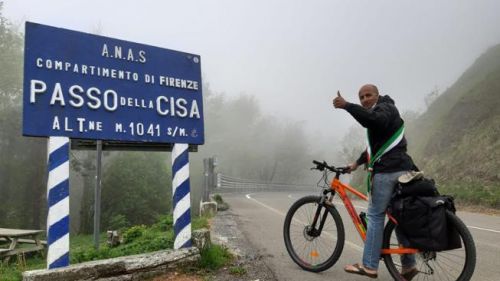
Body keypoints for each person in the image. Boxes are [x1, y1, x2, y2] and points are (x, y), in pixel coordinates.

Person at [333, 84, 418, 280]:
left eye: (368, 95)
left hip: (388, 171)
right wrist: (355, 163)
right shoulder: (386, 112)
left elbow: (373, 120)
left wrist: (347, 105)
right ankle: (408, 265)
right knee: (397, 216)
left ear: (377, 95)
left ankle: (369, 266)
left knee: (375, 216)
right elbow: (376, 147)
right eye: (361, 97)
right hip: (402, 169)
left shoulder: (384, 109)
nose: (364, 100)